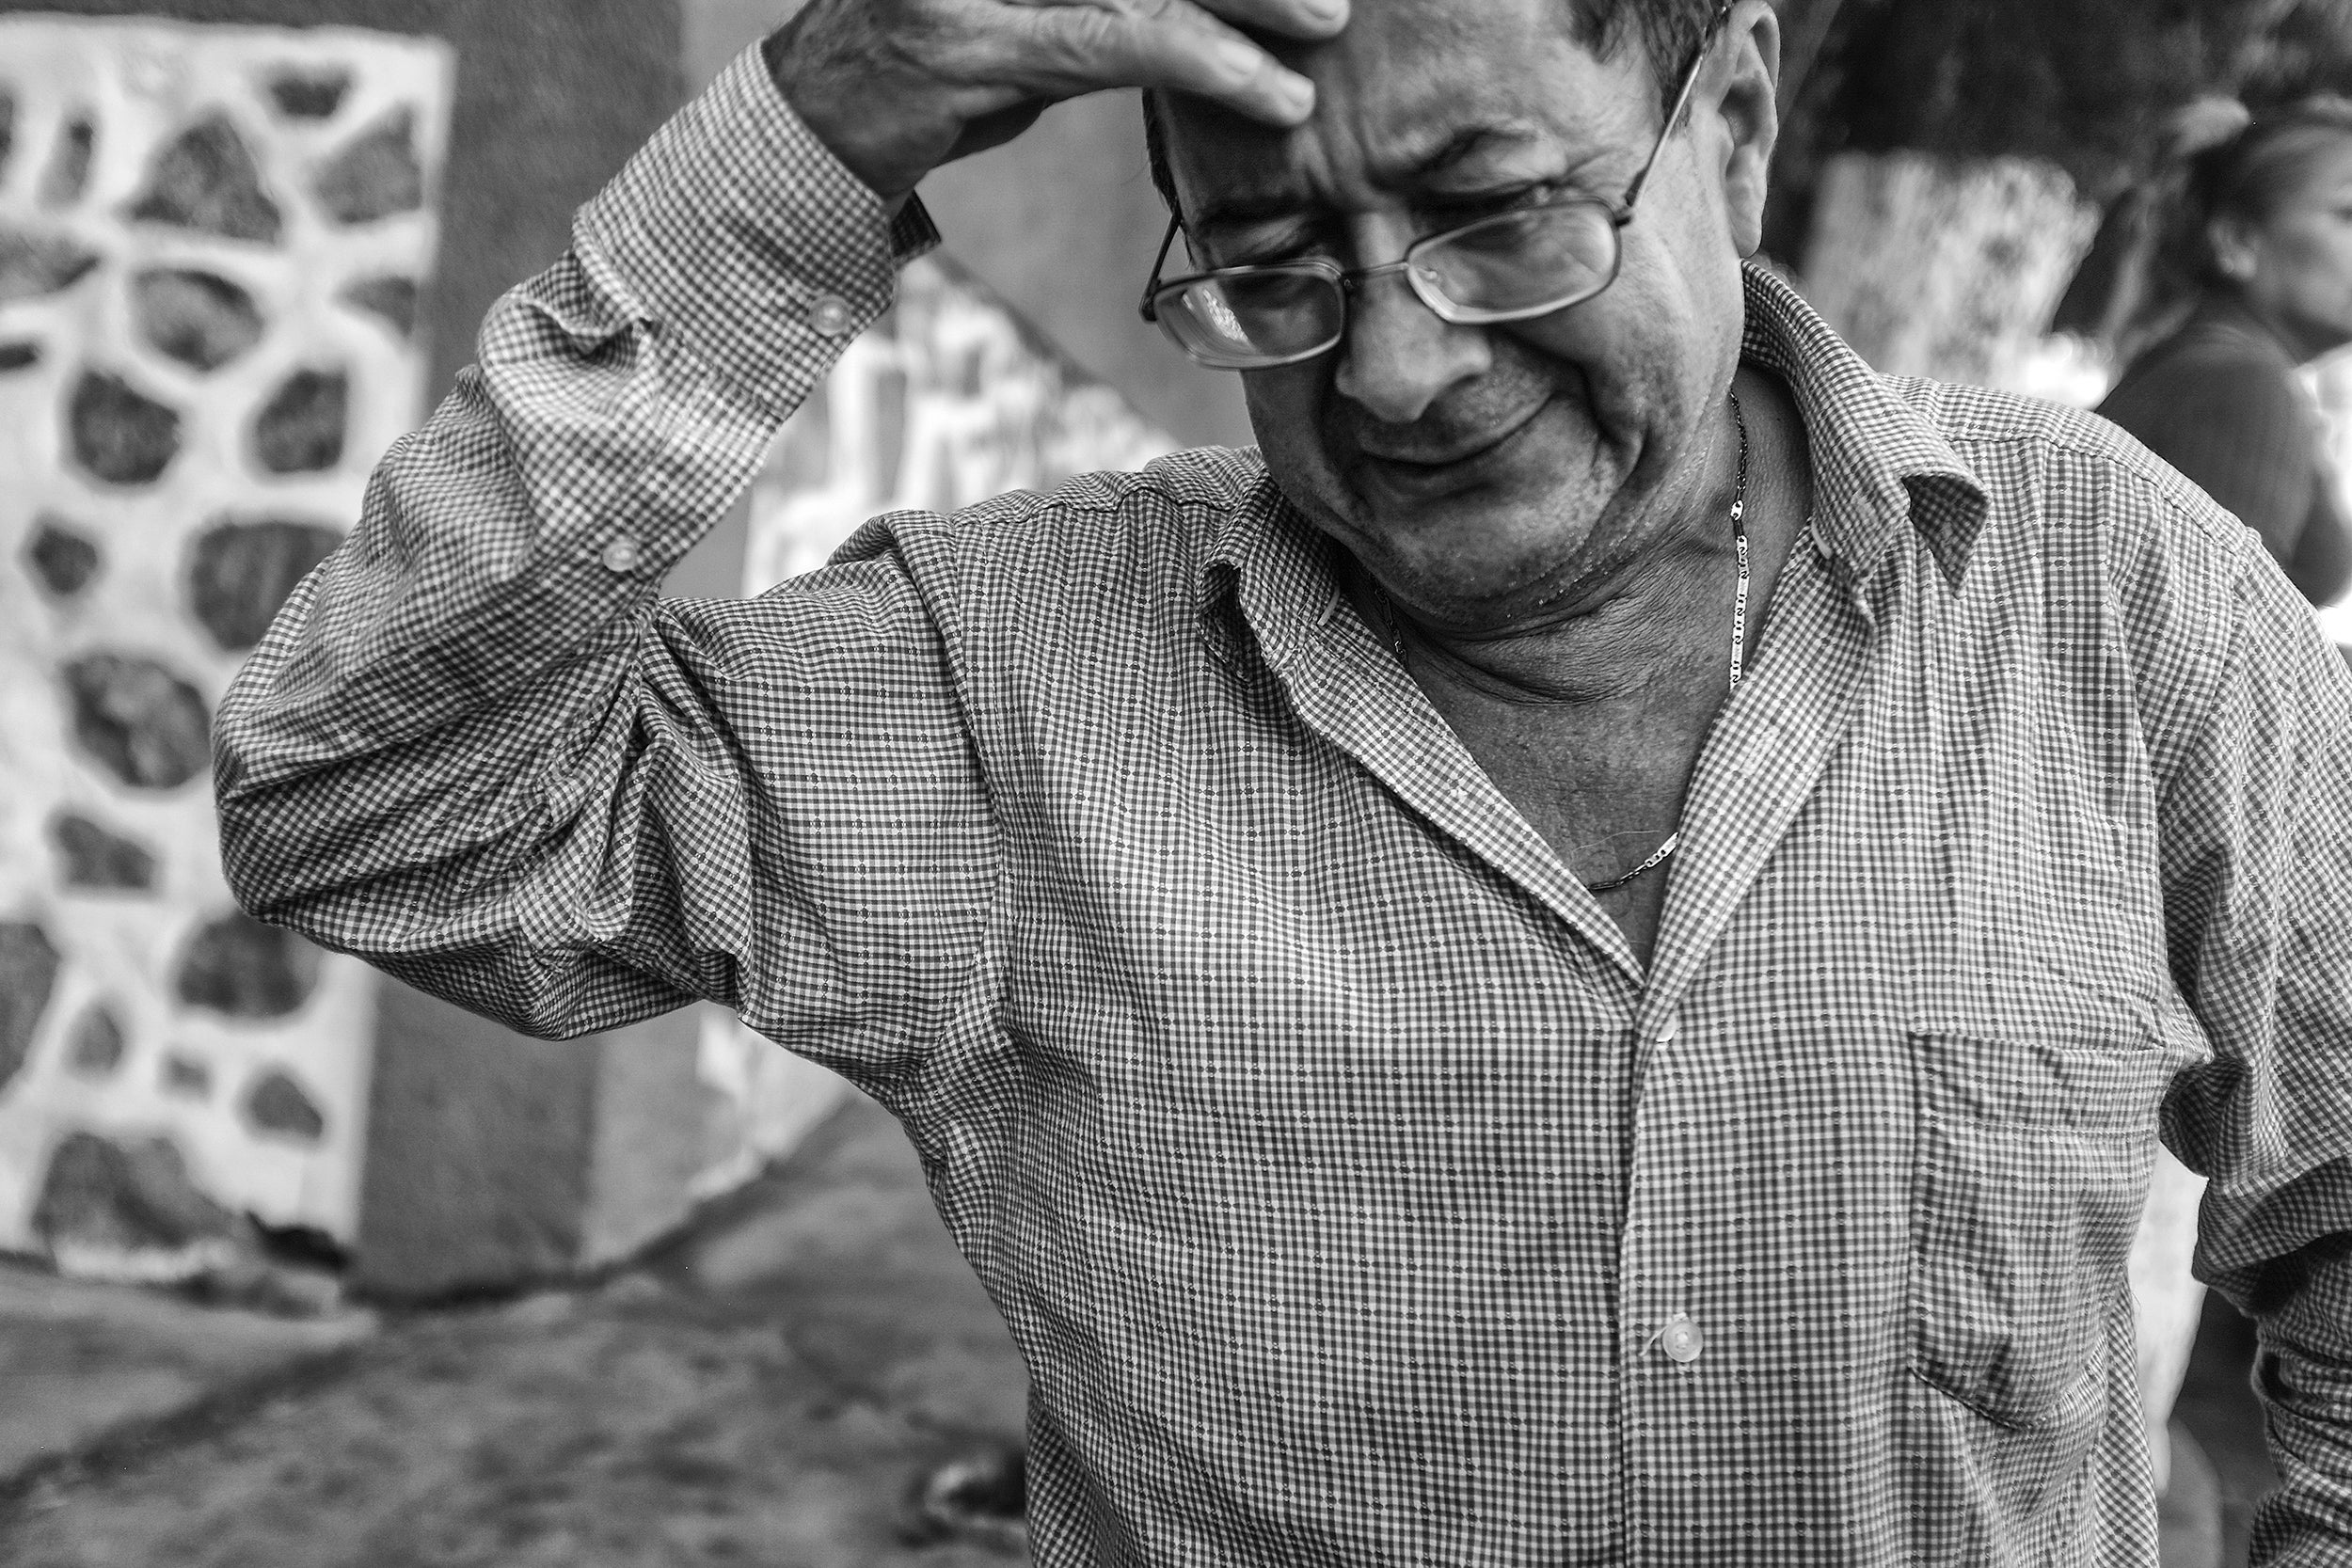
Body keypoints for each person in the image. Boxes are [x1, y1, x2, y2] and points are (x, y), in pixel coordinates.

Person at [212, 0, 2352, 1560]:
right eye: (1267, 266)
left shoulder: (2102, 582)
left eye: (1498, 215)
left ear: (1740, 121)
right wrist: (818, 125)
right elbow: (384, 805)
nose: (1397, 366)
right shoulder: (1001, 686)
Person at [2098, 96, 2352, 608]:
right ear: (2237, 240)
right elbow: (2202, 666)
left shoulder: (2210, 367)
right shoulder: (2241, 388)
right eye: (2349, 214)